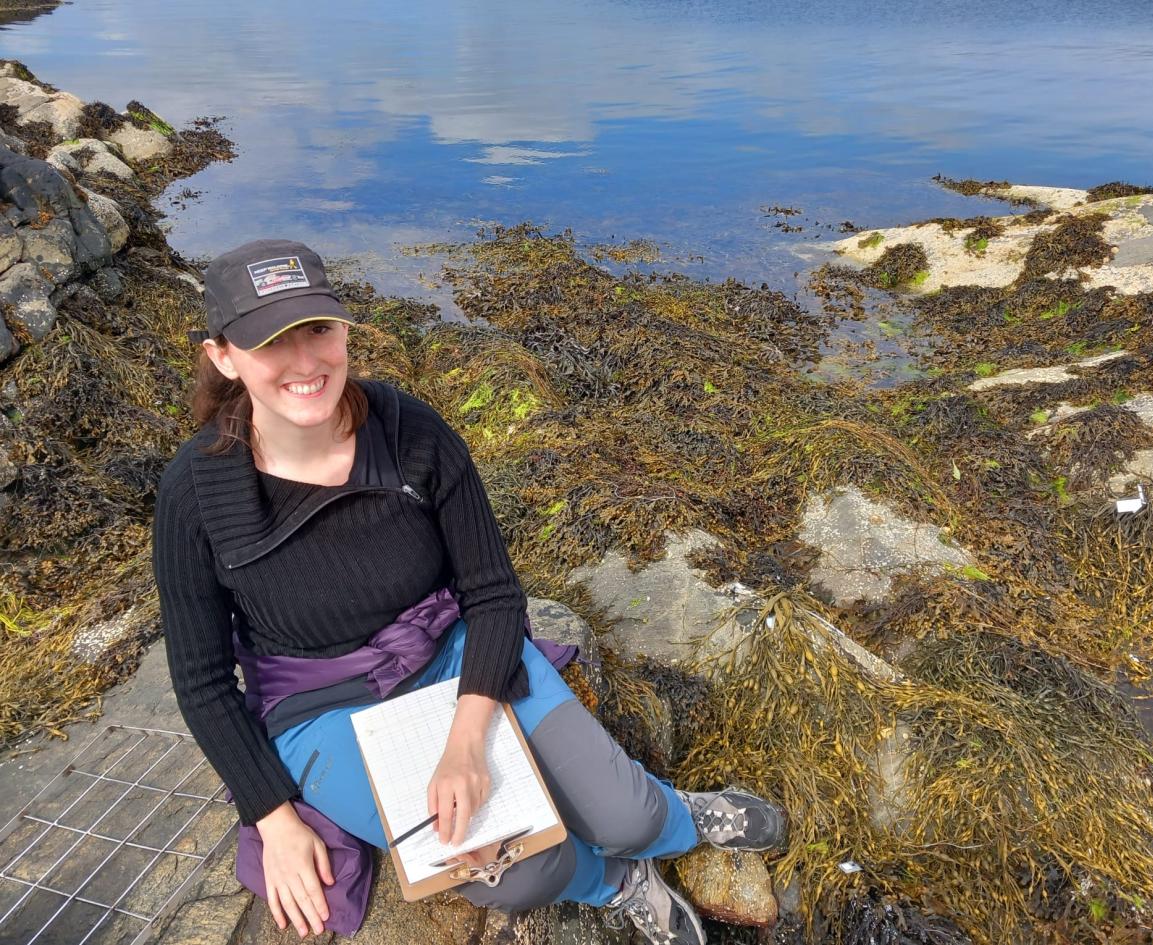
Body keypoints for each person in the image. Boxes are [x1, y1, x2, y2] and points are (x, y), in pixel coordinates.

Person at [151, 239, 786, 944]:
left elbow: (490, 592)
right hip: (321, 705)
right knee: (516, 870)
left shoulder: (410, 432)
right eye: (272, 341)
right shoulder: (195, 494)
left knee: (629, 817)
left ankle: (679, 819)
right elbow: (204, 682)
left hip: (451, 650)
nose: (306, 362)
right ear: (223, 356)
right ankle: (615, 882)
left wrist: (465, 739)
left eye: (319, 329)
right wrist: (273, 817)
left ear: (343, 329)